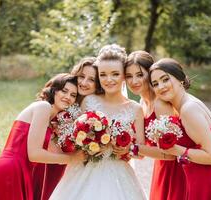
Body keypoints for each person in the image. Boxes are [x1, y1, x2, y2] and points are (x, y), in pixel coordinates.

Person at [49, 44, 146, 200]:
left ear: (123, 75)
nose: (109, 80)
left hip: (118, 173)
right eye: (103, 75)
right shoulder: (89, 101)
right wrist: (86, 142)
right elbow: (74, 134)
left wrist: (127, 149)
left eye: (115, 74)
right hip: (85, 168)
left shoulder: (135, 109)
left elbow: (141, 152)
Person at [0, 73, 85, 200]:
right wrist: (71, 159)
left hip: (23, 172)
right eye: (64, 91)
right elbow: (34, 154)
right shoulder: (43, 107)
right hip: (11, 170)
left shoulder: (52, 120)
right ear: (54, 90)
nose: (68, 97)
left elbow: (54, 152)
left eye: (73, 95)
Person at [148, 58, 211, 200]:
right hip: (205, 184)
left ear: (180, 79)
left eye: (165, 79)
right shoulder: (186, 103)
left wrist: (175, 150)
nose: (161, 86)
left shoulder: (188, 109)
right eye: (155, 84)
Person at [125, 51, 186, 200]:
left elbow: (172, 154)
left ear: (150, 73)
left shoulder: (160, 103)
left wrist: (133, 148)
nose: (134, 81)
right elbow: (145, 150)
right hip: (161, 166)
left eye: (140, 75)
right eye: (129, 76)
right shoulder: (142, 104)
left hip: (175, 170)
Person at [38, 57, 102, 200]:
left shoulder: (95, 107)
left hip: (74, 162)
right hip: (50, 158)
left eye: (91, 80)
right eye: (82, 76)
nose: (84, 83)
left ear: (98, 84)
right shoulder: (62, 96)